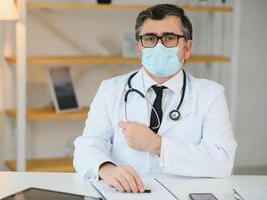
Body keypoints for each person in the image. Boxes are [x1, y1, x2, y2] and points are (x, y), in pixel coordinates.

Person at [73, 4, 237, 193]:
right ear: (139, 48)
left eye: (169, 38)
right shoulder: (111, 89)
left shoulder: (210, 94)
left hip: (183, 194)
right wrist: (105, 168)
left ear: (188, 47)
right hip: (124, 195)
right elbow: (87, 145)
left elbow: (222, 161)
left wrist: (156, 144)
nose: (159, 46)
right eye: (150, 39)